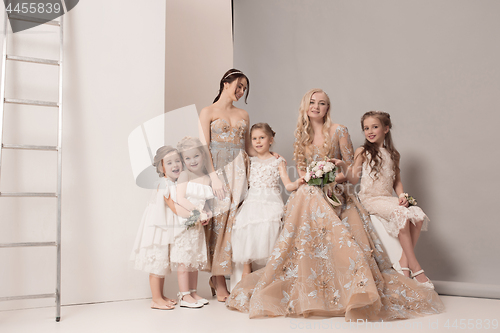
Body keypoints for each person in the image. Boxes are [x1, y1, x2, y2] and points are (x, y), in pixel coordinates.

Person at [226, 89, 444, 321]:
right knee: (307, 193)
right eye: (312, 102)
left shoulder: (339, 130)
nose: (316, 107)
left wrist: (329, 178)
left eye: (322, 103)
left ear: (327, 108)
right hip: (310, 189)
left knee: (310, 194)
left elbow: (350, 171)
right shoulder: (301, 135)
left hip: (337, 191)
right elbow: (301, 171)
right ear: (305, 106)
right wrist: (311, 179)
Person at [335, 111, 432, 288]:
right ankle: (415, 267)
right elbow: (354, 179)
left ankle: (404, 262)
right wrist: (343, 166)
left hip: (388, 198)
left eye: (375, 127)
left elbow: (397, 181)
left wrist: (402, 196)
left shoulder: (393, 154)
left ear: (386, 129)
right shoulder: (362, 151)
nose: (370, 131)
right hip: (370, 198)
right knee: (401, 215)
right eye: (366, 128)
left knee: (417, 215)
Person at [198, 68, 252, 302]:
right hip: (218, 171)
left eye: (244, 89)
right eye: (239, 86)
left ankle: (226, 278)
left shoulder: (244, 114)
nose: (241, 92)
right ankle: (219, 281)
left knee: (236, 224)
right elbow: (203, 148)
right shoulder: (208, 111)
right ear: (225, 83)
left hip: (240, 171)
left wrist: (270, 156)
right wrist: (214, 177)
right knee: (219, 224)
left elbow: (248, 147)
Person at [232, 123, 304, 278]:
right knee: (247, 230)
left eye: (262, 138)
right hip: (252, 202)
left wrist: (300, 182)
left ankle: (268, 278)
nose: (258, 142)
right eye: (254, 139)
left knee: (269, 232)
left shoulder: (278, 161)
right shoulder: (250, 161)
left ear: (270, 140)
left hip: (271, 202)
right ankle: (245, 276)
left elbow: (288, 185)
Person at [130, 146, 182, 310]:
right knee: (157, 262)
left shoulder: (171, 182)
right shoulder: (164, 183)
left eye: (177, 161)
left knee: (161, 263)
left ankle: (160, 295)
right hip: (157, 228)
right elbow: (172, 206)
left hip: (161, 226)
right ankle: (155, 299)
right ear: (161, 167)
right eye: (169, 163)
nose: (175, 165)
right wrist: (193, 215)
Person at [171, 137, 214, 308]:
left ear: (202, 155)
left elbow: (206, 201)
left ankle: (193, 292)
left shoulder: (205, 177)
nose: (192, 161)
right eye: (187, 158)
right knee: (184, 259)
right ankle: (184, 295)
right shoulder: (184, 175)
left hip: (198, 225)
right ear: (182, 160)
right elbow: (180, 198)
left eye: (195, 156)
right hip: (186, 220)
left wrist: (208, 212)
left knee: (194, 259)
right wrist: (198, 212)